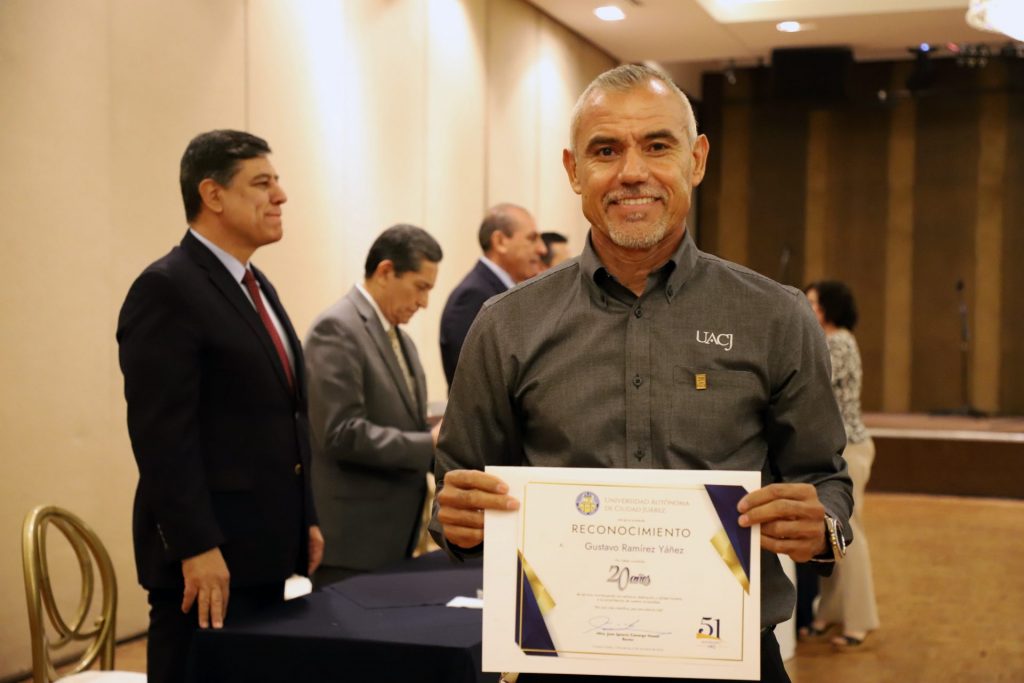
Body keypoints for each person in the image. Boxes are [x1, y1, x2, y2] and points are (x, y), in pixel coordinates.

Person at [430, 64, 853, 683]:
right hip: (560, 664)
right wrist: (459, 521)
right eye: (606, 150)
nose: (632, 171)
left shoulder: (775, 316)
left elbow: (825, 479)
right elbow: (456, 492)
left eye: (657, 145)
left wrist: (822, 526)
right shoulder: (505, 325)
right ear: (574, 170)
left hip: (730, 661)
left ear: (696, 160)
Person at [117, 130, 322, 683]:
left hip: (264, 554)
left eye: (278, 182)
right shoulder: (167, 288)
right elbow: (162, 437)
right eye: (262, 183)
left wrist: (306, 516)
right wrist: (196, 546)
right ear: (212, 195)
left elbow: (284, 414)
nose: (280, 196)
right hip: (209, 563)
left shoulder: (257, 285)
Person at [304, 224, 443, 588]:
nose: (424, 302)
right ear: (385, 271)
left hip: (396, 536)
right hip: (352, 543)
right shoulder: (337, 329)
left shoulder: (402, 340)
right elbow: (340, 432)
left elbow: (403, 421)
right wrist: (428, 443)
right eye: (420, 287)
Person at [804, 281, 880, 649]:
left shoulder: (839, 343)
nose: (806, 308)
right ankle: (830, 613)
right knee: (830, 532)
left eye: (813, 303)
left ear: (829, 308)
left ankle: (859, 620)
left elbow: (808, 383)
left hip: (851, 447)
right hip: (834, 449)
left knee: (850, 532)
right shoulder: (828, 340)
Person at [439, 204, 546, 388]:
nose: (542, 249)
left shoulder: (500, 291)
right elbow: (472, 384)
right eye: (532, 238)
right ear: (500, 241)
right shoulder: (473, 296)